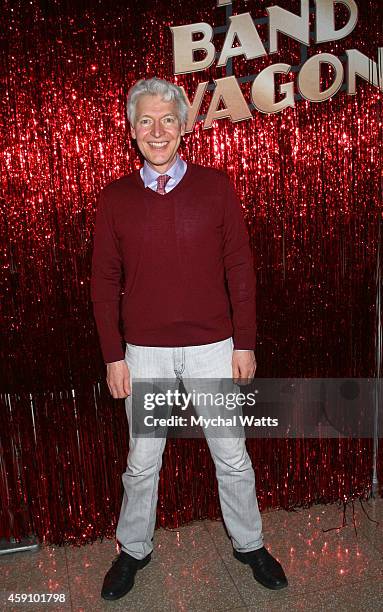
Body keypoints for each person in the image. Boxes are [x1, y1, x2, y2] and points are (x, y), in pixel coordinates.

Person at [90, 77, 288, 601]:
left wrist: (244, 343)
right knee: (142, 461)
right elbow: (103, 282)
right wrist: (114, 355)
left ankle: (250, 544)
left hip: (212, 347)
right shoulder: (115, 198)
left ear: (184, 126)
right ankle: (133, 549)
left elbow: (239, 268)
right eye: (147, 121)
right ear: (132, 131)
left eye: (168, 120)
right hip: (145, 353)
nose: (158, 131)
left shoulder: (216, 187)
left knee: (231, 454)